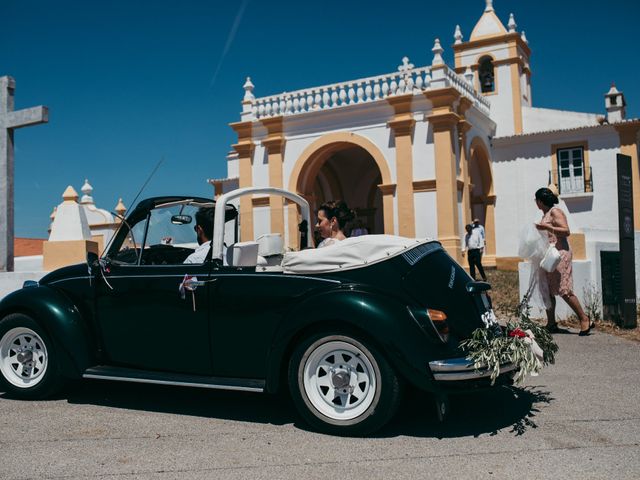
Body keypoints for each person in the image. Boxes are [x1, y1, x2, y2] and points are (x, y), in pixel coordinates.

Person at [534, 187, 592, 335]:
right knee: (548, 289)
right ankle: (551, 323)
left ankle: (584, 319)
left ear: (540, 201)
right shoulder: (546, 214)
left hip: (560, 255)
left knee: (564, 289)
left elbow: (566, 231)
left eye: (536, 200)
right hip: (550, 255)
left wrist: (546, 227)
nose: (536, 203)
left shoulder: (555, 212)